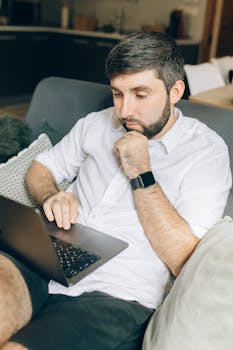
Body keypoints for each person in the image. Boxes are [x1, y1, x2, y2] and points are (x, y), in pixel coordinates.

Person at [0, 32, 231, 350]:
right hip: (45, 258)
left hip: (116, 293)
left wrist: (142, 174)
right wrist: (51, 194)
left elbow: (182, 259)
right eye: (117, 94)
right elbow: (42, 169)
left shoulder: (205, 153)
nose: (124, 111)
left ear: (175, 91)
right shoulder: (96, 124)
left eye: (140, 94)